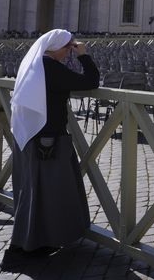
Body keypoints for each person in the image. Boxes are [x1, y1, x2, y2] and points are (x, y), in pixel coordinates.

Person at [7, 29, 99, 257]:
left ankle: (34, 239)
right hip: (48, 140)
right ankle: (36, 241)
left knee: (34, 190)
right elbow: (91, 80)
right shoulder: (52, 68)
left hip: (28, 136)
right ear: (57, 48)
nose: (69, 52)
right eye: (68, 48)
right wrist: (83, 55)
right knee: (50, 192)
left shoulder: (35, 63)